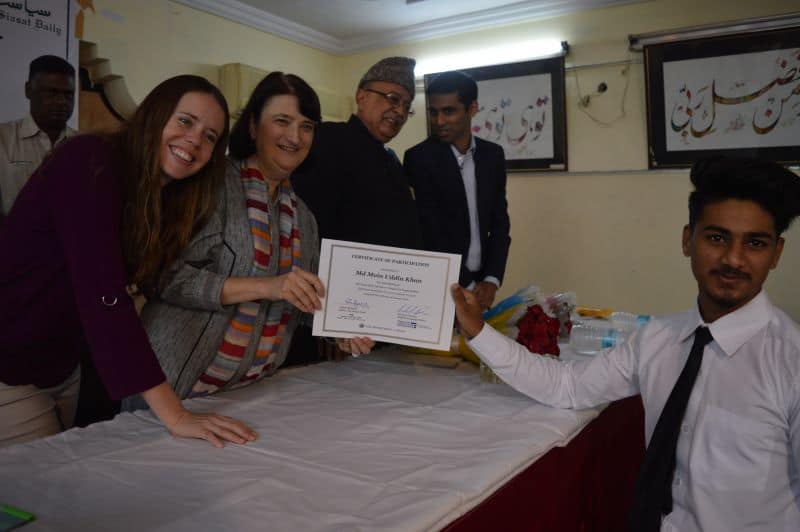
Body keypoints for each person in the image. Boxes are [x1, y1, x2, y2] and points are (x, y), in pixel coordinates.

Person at [451, 156, 800, 531]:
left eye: (755, 243)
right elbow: (567, 386)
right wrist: (478, 330)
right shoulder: (658, 339)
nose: (733, 259)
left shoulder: (790, 362)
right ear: (687, 240)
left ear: (776, 253)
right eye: (716, 238)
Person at [0, 75, 257, 448]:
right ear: (155, 114)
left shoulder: (161, 199)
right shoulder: (90, 159)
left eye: (210, 136)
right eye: (185, 121)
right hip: (10, 362)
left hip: (62, 365)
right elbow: (104, 294)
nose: (194, 140)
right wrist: (176, 415)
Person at [123, 72, 372, 412]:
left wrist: (340, 330)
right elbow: (165, 279)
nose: (294, 136)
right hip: (172, 389)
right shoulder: (208, 184)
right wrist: (268, 286)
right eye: (282, 121)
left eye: (306, 126)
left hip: (247, 394)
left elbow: (301, 302)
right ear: (253, 126)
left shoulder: (305, 218)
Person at [289, 56, 421, 363]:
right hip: (335, 325)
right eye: (392, 98)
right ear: (361, 96)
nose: (400, 111)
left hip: (385, 317)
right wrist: (329, 320)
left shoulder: (392, 162)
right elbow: (310, 231)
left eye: (406, 105)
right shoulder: (326, 141)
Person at [404, 71, 511, 309]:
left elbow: (500, 223)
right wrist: (468, 285)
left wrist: (491, 280)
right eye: (433, 112)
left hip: (483, 283)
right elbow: (429, 229)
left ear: (472, 108)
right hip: (439, 284)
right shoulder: (419, 158)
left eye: (448, 111)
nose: (439, 121)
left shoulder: (492, 155)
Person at [0, 55, 77, 219]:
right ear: (28, 90)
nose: (61, 101)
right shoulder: (3, 139)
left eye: (68, 94)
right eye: (51, 93)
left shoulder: (83, 145)